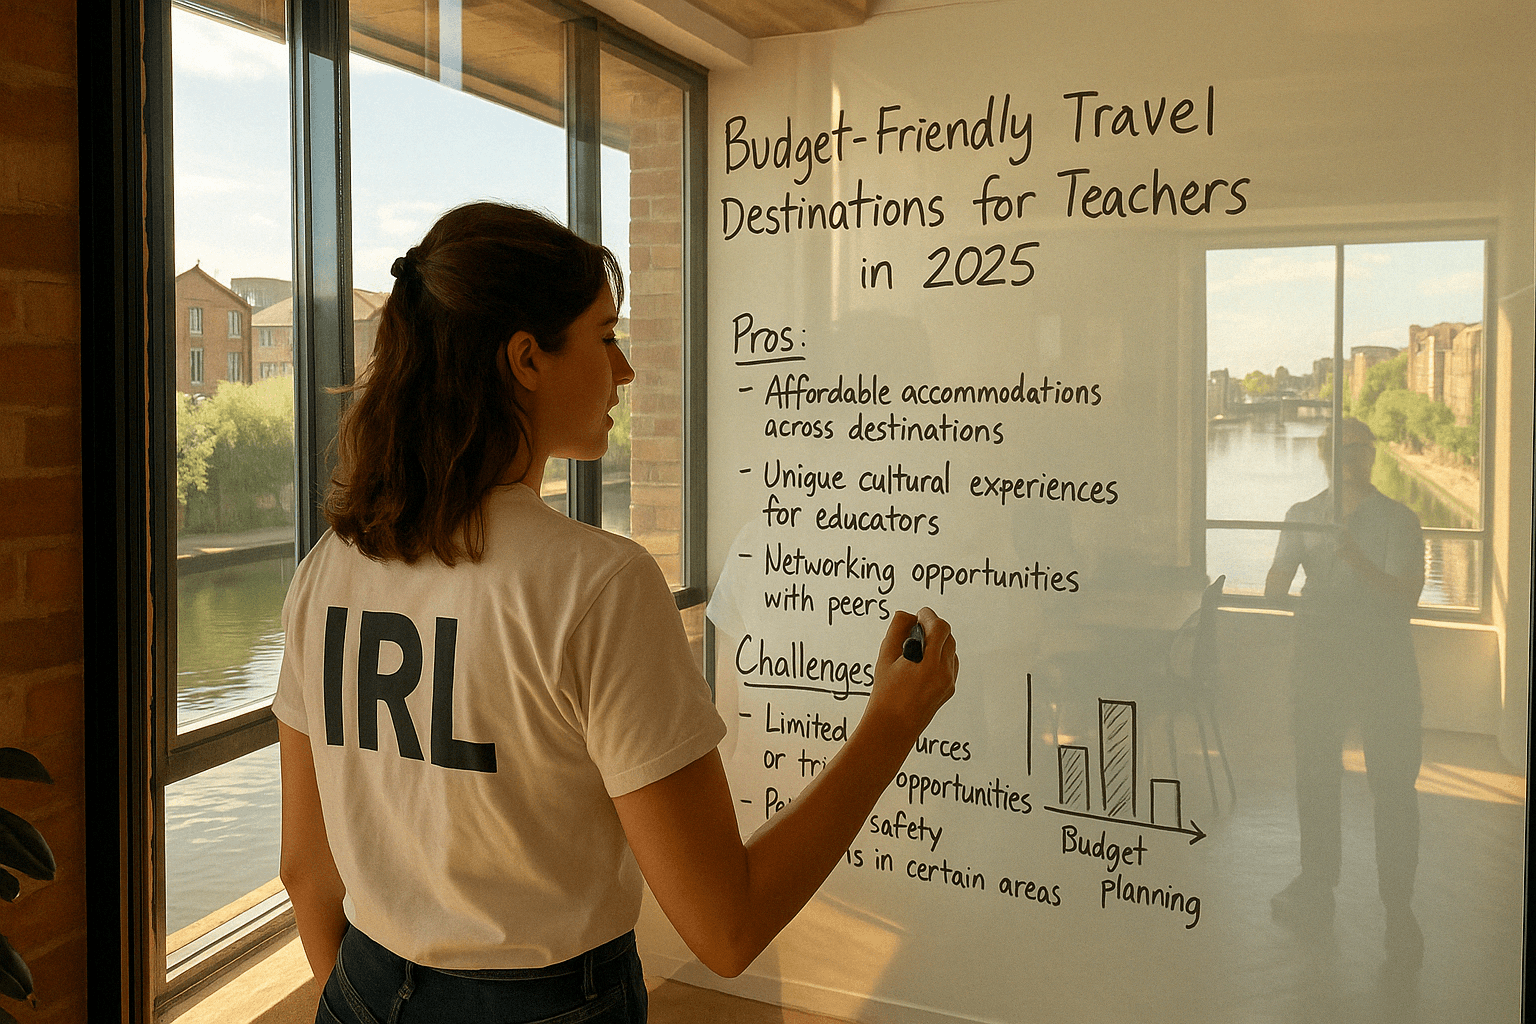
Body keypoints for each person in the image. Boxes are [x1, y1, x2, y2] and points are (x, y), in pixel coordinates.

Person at [274, 202, 960, 1024]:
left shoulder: (326, 569)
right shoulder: (596, 585)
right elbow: (726, 927)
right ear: (526, 358)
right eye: (604, 336)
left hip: (361, 987)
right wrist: (892, 725)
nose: (626, 369)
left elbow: (306, 871)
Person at [1264, 417, 1424, 974]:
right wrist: (1296, 580)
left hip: (1383, 661)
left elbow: (1408, 597)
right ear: (1327, 457)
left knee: (1394, 784)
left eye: (1364, 450)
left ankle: (1398, 910)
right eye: (1346, 451)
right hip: (1324, 658)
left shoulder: (1402, 521)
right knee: (1316, 776)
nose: (1357, 460)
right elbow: (1274, 587)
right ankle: (1317, 888)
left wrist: (1355, 562)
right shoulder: (1302, 516)